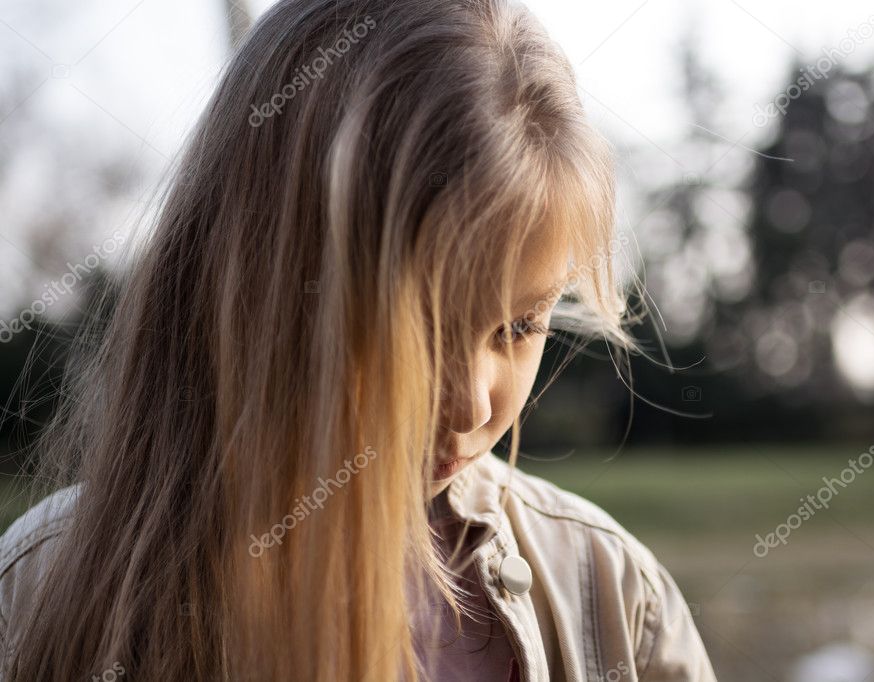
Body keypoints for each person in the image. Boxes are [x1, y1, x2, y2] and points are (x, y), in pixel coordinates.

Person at [0, 0, 716, 680]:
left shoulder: (611, 595)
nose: (470, 405)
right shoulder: (43, 593)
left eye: (519, 326)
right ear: (264, 291)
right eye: (417, 328)